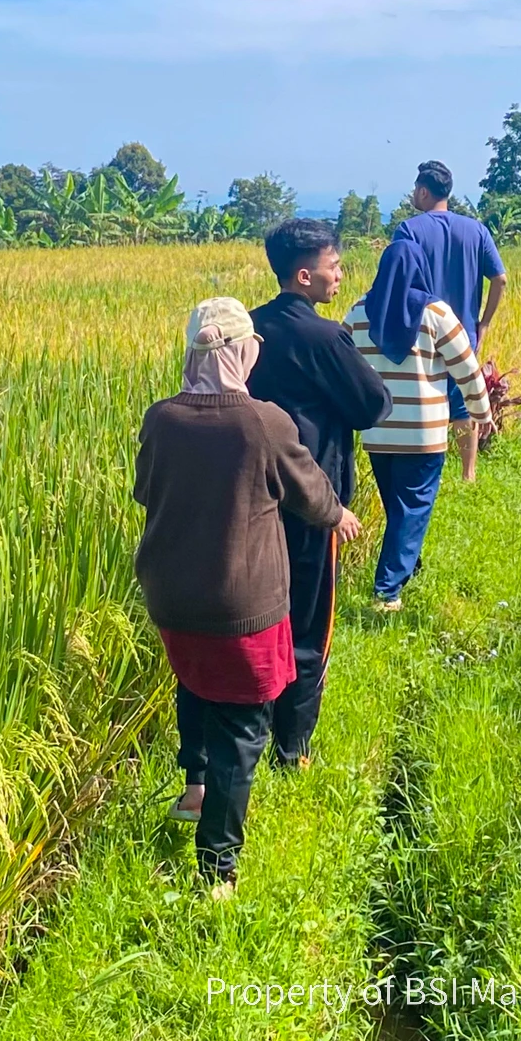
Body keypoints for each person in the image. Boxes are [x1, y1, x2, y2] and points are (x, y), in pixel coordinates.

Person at [133, 296, 363, 892]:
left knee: (197, 681)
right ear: (242, 351)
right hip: (240, 601)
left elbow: (145, 491)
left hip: (170, 595)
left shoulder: (160, 417)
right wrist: (339, 515)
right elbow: (311, 494)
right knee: (243, 722)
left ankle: (194, 789)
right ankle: (217, 868)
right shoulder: (263, 420)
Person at [246, 219, 390, 769]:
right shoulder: (327, 337)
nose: (340, 275)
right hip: (312, 501)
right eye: (334, 265)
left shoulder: (249, 330)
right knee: (309, 623)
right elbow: (372, 405)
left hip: (253, 501)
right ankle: (294, 748)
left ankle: (251, 738)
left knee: (263, 619)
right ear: (304, 276)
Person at [346, 238, 490, 611]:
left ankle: (407, 568)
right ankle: (387, 591)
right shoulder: (436, 313)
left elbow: (342, 365)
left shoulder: (359, 312)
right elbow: (468, 371)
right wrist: (481, 413)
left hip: (376, 431)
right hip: (423, 432)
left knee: (398, 506)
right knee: (411, 507)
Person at [391, 160, 506, 482]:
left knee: (423, 401)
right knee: (464, 404)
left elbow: (398, 279)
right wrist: (483, 324)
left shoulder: (409, 231)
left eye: (416, 188)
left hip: (420, 330)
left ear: (424, 191)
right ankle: (469, 473)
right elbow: (500, 279)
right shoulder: (476, 230)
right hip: (463, 333)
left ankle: (427, 471)